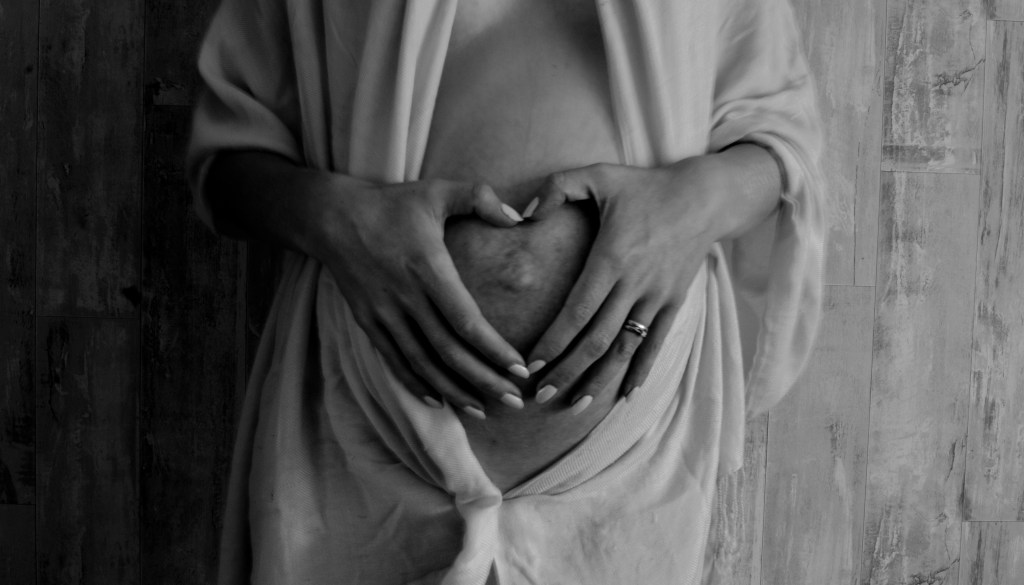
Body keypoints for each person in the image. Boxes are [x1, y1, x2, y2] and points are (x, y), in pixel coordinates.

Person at [187, 0, 826, 583]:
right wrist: (338, 219)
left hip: (629, 456)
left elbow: (779, 139)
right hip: (369, 424)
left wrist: (694, 205)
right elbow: (226, 166)